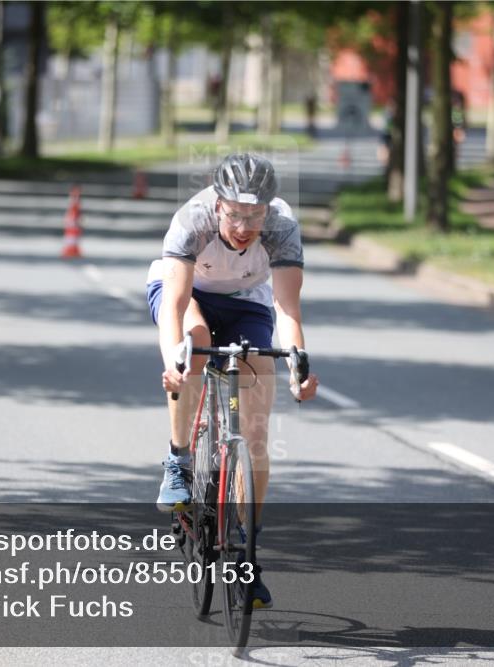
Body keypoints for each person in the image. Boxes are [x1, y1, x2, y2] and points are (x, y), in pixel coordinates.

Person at [145, 153, 319, 609]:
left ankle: (247, 550)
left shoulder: (283, 228)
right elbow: (175, 306)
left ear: (268, 209)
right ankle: (179, 459)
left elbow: (287, 309)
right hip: (188, 297)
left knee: (257, 429)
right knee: (196, 340)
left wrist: (298, 368)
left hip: (247, 301)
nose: (245, 226)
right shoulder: (192, 221)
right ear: (219, 204)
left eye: (255, 216)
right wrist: (175, 363)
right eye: (236, 215)